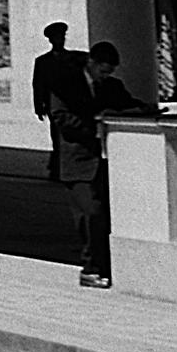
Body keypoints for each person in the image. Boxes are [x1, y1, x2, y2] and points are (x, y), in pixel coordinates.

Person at [52, 41, 157, 287]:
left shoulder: (112, 86)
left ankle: (104, 266)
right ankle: (90, 268)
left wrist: (145, 109)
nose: (105, 76)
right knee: (90, 214)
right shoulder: (65, 84)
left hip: (106, 161)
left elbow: (126, 104)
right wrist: (93, 129)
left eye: (109, 72)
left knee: (105, 216)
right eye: (102, 70)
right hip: (78, 161)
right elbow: (60, 117)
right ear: (91, 62)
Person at [33, 21, 87, 183]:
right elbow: (38, 84)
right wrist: (39, 106)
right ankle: (57, 169)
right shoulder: (43, 61)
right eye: (56, 37)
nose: (60, 40)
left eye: (62, 36)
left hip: (73, 103)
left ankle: (63, 168)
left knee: (72, 136)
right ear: (50, 40)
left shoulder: (74, 58)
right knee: (57, 137)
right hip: (54, 105)